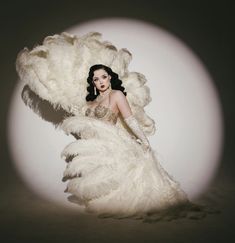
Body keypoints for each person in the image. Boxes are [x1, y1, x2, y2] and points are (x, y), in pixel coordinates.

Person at [16, 31, 218, 222]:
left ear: (110, 77)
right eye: (96, 79)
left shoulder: (117, 95)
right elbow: (80, 115)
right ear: (93, 83)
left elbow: (129, 119)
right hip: (96, 144)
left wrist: (144, 140)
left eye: (104, 77)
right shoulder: (91, 101)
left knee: (131, 183)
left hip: (114, 142)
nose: (101, 81)